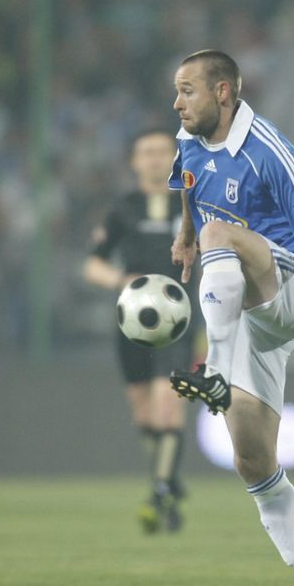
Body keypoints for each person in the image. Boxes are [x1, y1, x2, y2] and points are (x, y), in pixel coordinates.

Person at [167, 50, 294, 586]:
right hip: (248, 315)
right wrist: (185, 236)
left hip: (293, 287)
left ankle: (214, 370)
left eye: (188, 91)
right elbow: (189, 186)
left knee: (222, 234)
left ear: (223, 92)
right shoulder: (189, 139)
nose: (177, 103)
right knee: (252, 460)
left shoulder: (267, 147)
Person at [83, 129, 194, 534]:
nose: (154, 158)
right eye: (146, 152)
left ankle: (159, 492)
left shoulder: (192, 202)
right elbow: (92, 264)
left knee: (168, 405)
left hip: (179, 320)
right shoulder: (123, 208)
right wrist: (119, 279)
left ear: (175, 157)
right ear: (134, 162)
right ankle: (168, 482)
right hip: (132, 321)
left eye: (162, 151)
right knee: (143, 412)